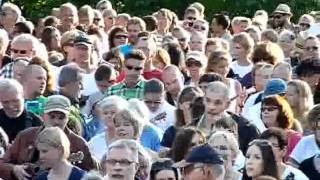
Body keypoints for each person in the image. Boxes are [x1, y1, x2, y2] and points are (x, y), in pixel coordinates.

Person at [0, 95, 97, 180]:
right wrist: (14, 169)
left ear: (67, 118)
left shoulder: (78, 144)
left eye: (61, 117)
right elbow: (2, 164)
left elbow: (90, 175)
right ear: (43, 116)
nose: (56, 121)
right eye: (52, 116)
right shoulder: (25, 136)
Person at [88, 95, 128, 160]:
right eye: (105, 113)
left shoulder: (128, 138)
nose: (109, 116)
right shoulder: (94, 141)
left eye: (113, 113)